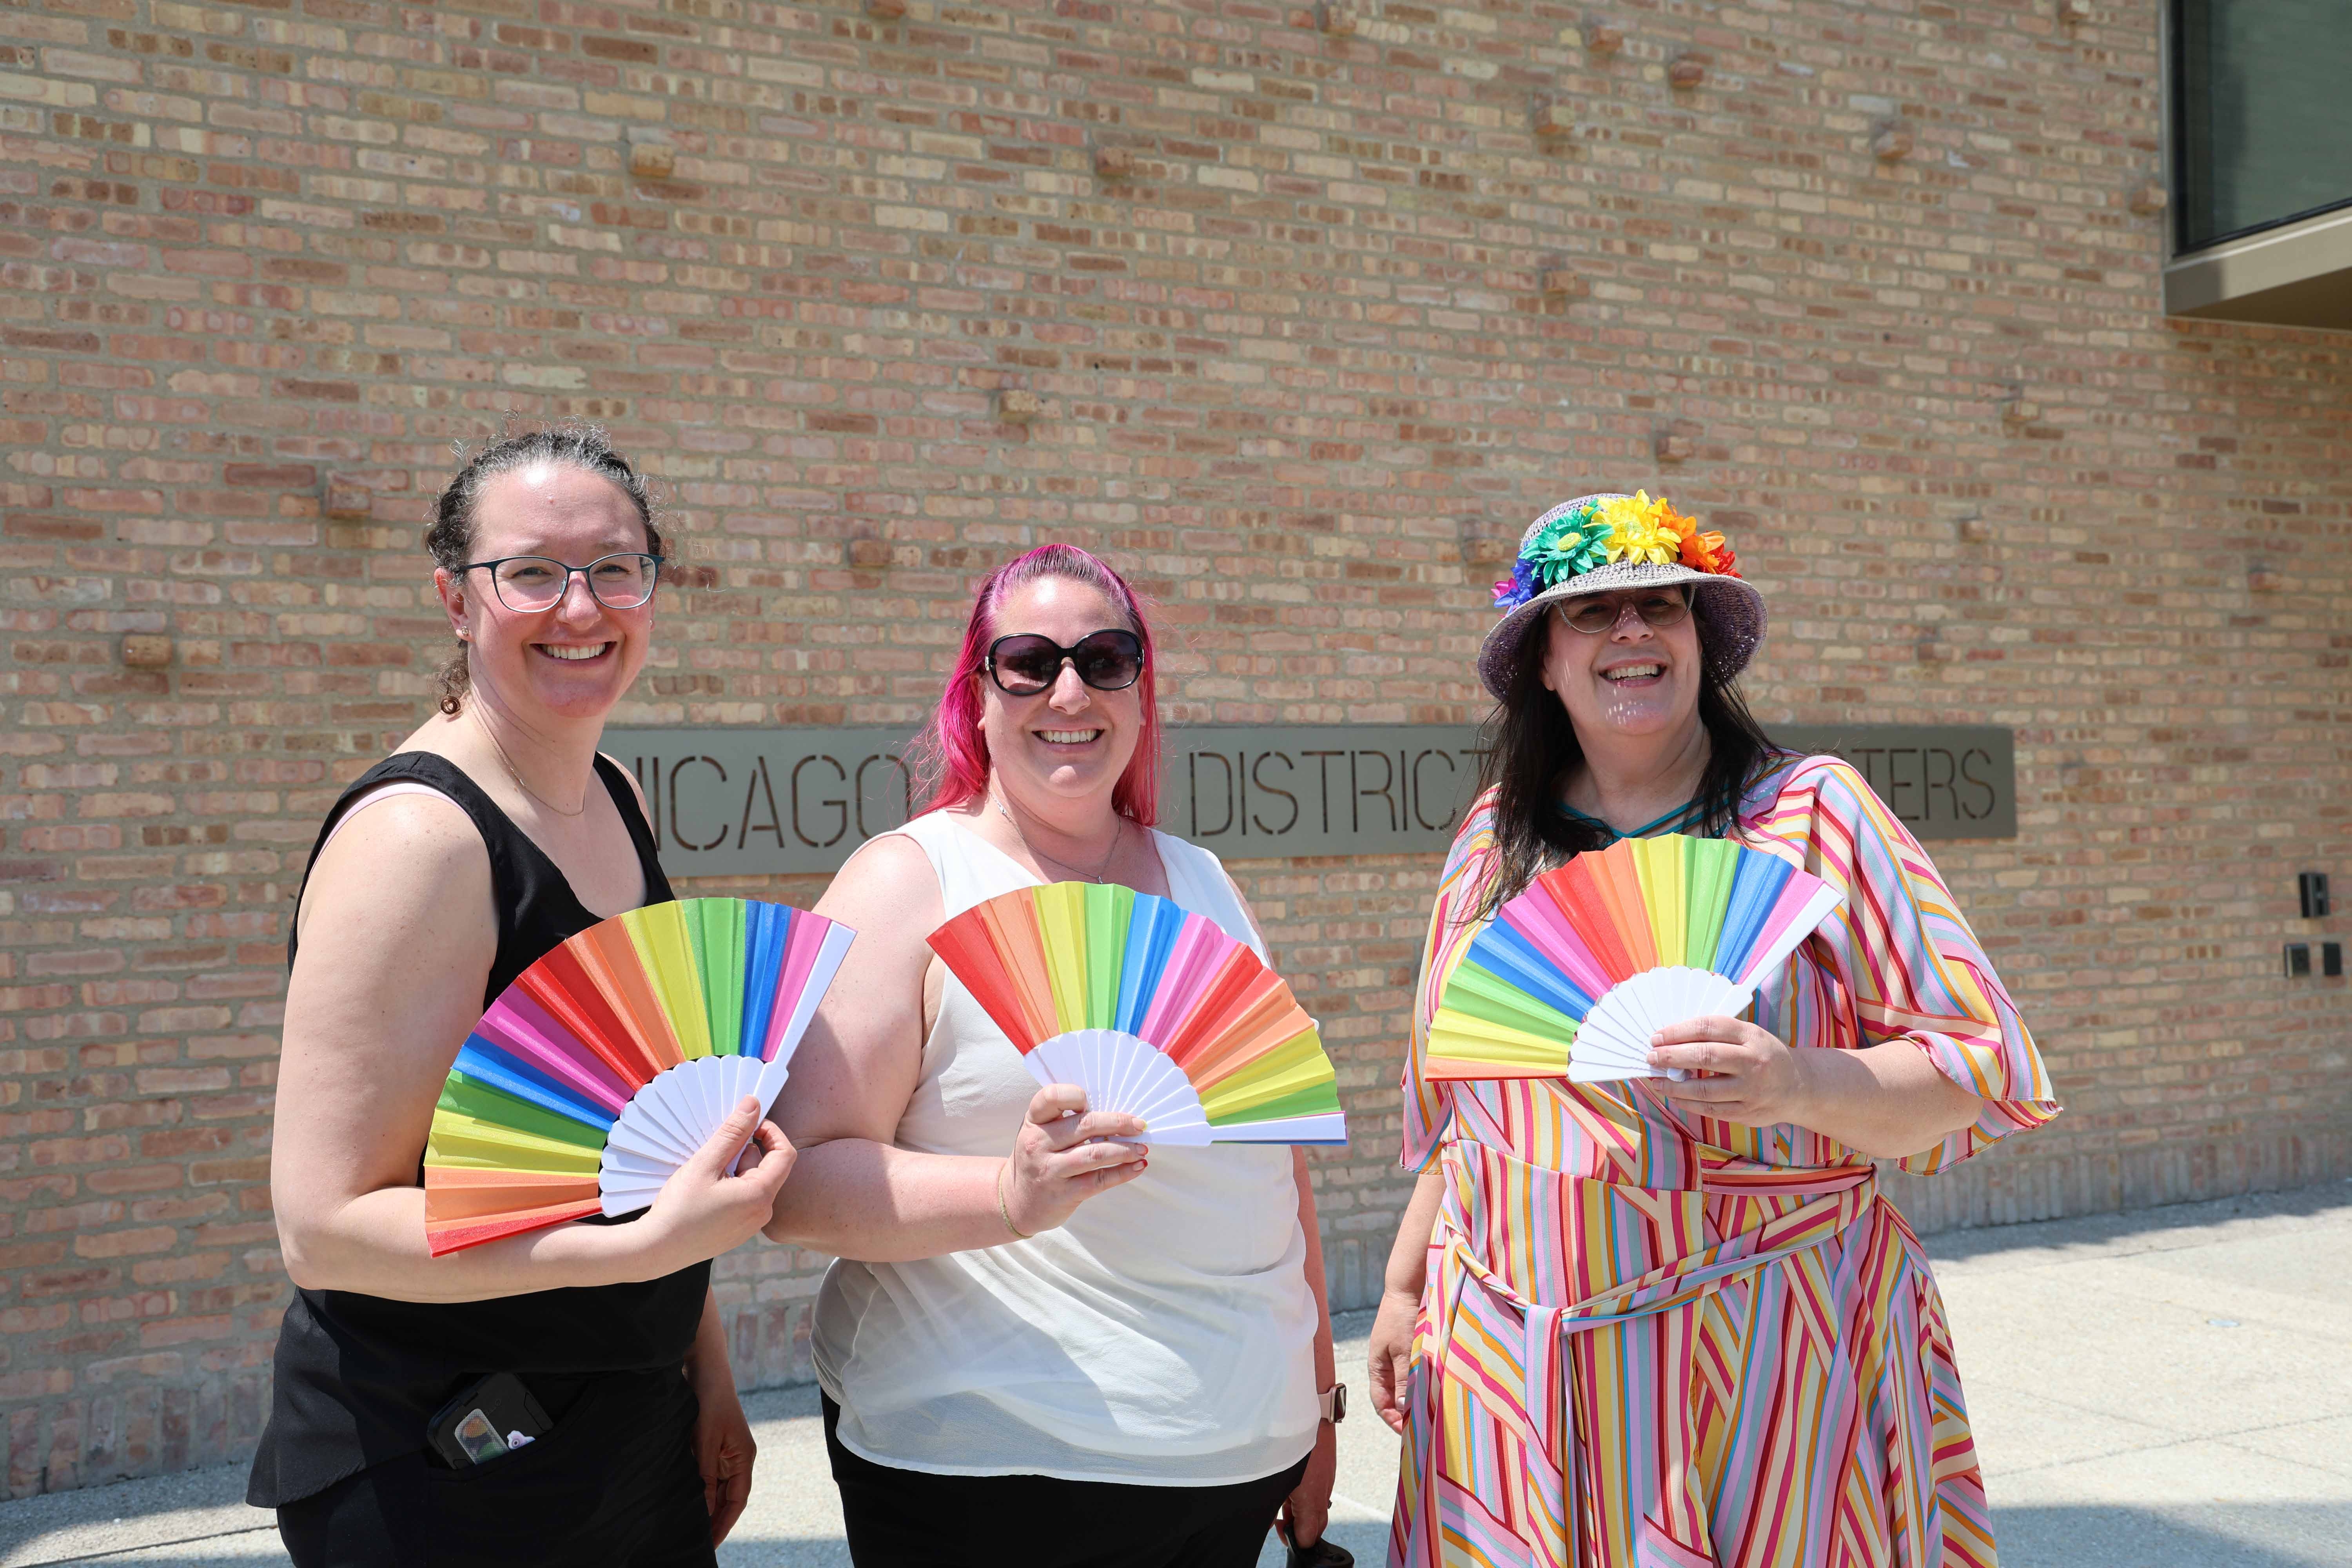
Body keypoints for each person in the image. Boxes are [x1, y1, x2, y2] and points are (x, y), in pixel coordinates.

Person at [1370, 492, 2060, 1567]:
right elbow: (1468, 1101)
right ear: (1543, 662)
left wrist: (1797, 1083)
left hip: (1770, 1361)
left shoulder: (1814, 817)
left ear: (1702, 647)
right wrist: (1407, 1287)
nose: (1632, 631)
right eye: (1592, 613)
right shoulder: (1488, 847)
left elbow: (1969, 1067)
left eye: (1661, 605)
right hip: (1512, 1368)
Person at [248, 428, 793, 1567]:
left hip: (626, 1425)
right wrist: (634, 1257)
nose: (581, 607)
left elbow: (643, 1130)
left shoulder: (618, 795)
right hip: (442, 1463)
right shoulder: (420, 840)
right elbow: (326, 1229)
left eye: (615, 567)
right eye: (532, 572)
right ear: (456, 597)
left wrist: (707, 1371)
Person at [764, 544, 1341, 1568]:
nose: (1068, 690)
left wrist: (1317, 1401)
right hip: (997, 1472)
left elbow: (1272, 1154)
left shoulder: (1200, 878)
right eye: (1029, 661)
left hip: (1239, 1457)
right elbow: (794, 1179)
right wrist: (1010, 1192)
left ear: (1140, 690)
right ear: (977, 698)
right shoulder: (909, 882)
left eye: (1105, 659)